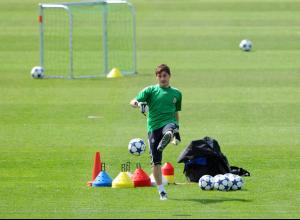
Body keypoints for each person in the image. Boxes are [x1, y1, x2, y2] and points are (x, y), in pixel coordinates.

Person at [130, 64, 182, 200]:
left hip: (168, 123)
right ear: (156, 77)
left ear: (169, 76)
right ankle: (161, 191)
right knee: (156, 163)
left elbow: (176, 113)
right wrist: (137, 103)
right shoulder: (150, 90)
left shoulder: (177, 93)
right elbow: (133, 100)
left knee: (169, 129)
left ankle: (169, 135)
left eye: (165, 75)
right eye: (160, 76)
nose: (162, 78)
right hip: (153, 128)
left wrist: (177, 129)